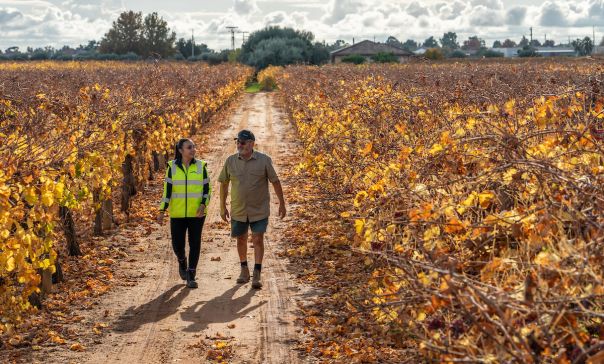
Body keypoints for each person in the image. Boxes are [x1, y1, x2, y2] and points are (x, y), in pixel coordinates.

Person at [218, 130, 286, 289]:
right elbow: (224, 183)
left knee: (257, 239)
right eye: (237, 142)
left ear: (251, 143)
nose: (239, 145)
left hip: (259, 209)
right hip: (239, 209)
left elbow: (275, 181)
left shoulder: (264, 160)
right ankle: (244, 270)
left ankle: (257, 272)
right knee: (241, 239)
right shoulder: (230, 161)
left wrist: (282, 203)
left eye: (242, 142)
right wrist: (222, 206)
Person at [158, 138, 211, 289]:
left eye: (194, 146)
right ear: (180, 150)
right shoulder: (172, 168)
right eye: (189, 147)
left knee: (195, 243)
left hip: (197, 214)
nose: (193, 149)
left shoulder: (201, 166)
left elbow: (208, 190)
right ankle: (182, 262)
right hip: (177, 214)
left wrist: (203, 205)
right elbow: (167, 191)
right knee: (177, 245)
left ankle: (191, 275)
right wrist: (162, 210)